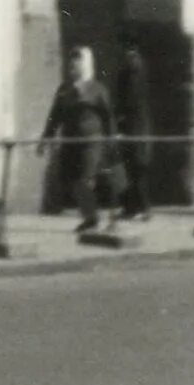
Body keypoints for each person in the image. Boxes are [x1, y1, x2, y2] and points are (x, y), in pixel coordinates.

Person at [40, 44, 121, 234]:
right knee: (73, 181)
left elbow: (108, 116)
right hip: (70, 142)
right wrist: (46, 138)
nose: (73, 66)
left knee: (85, 180)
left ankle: (94, 219)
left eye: (77, 62)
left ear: (86, 65)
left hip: (91, 144)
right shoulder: (64, 89)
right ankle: (89, 217)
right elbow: (55, 115)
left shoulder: (97, 89)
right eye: (71, 63)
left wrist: (112, 139)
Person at [109, 27, 156, 222]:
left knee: (135, 170)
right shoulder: (136, 65)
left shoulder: (132, 67)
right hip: (136, 125)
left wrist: (120, 122)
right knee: (131, 170)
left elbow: (131, 100)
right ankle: (132, 208)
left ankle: (141, 209)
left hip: (134, 127)